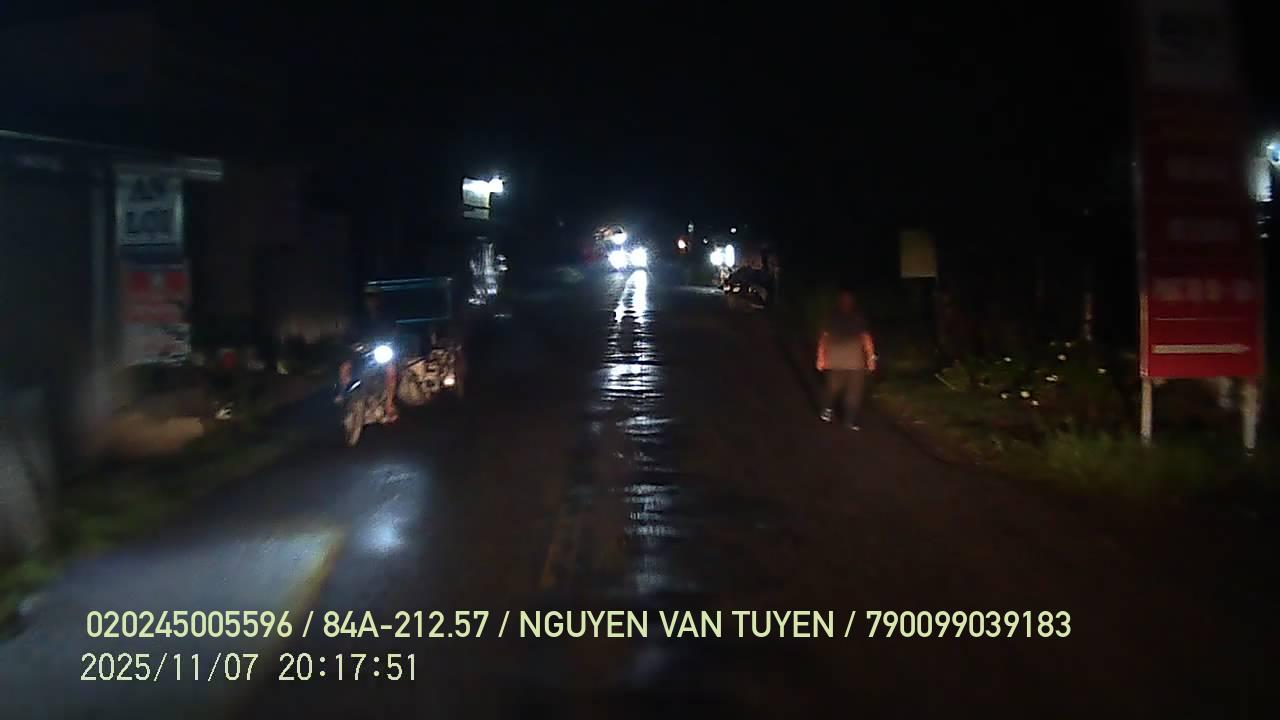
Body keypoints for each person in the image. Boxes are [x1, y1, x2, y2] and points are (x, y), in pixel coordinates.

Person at [816, 289, 877, 430]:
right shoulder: (833, 317)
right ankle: (830, 410)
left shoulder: (857, 318)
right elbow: (824, 338)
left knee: (851, 392)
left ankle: (847, 419)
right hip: (839, 361)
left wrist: (870, 357)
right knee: (835, 389)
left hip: (852, 362)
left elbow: (866, 338)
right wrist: (820, 357)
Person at [338, 287, 400, 421]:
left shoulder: (386, 317)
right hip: (361, 352)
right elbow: (349, 333)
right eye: (368, 298)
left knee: (391, 370)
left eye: (373, 298)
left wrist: (390, 341)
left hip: (379, 351)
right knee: (345, 366)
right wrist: (351, 343)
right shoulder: (358, 317)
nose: (371, 302)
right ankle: (343, 393)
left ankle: (389, 404)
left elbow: (394, 332)